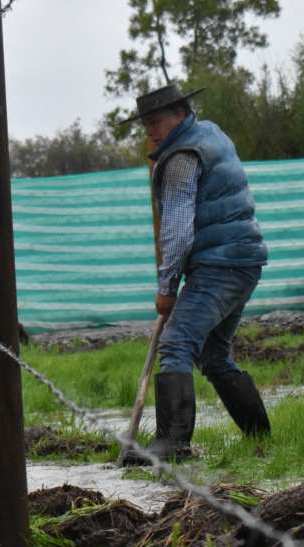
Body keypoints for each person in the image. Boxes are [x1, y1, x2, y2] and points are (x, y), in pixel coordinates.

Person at [116, 84, 271, 465]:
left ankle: (173, 443)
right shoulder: (211, 134)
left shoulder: (182, 157)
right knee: (213, 355)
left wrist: (167, 286)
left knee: (176, 342)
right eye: (146, 125)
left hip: (220, 264)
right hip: (244, 259)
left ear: (181, 114)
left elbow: (178, 230)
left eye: (157, 122)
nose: (151, 132)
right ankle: (260, 438)